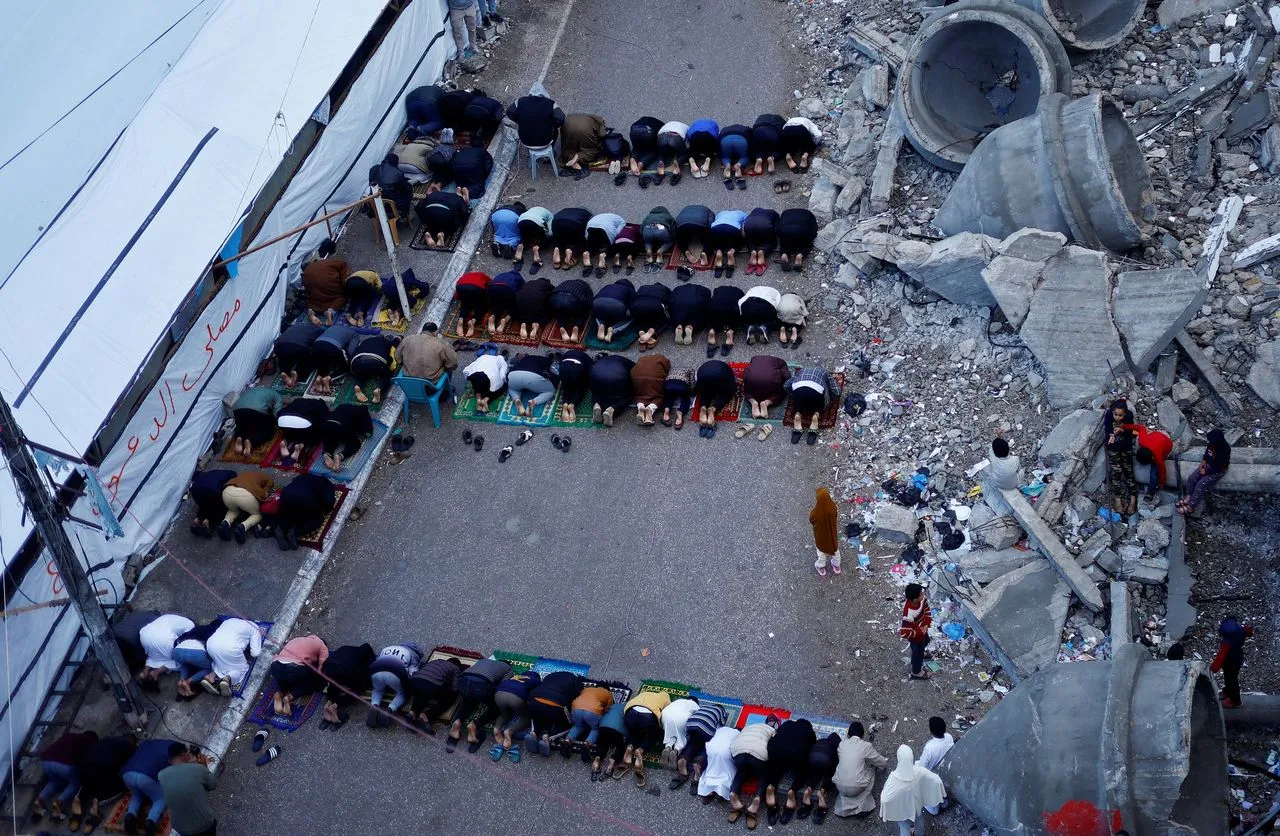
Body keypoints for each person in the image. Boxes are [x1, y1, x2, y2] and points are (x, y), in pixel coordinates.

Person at [29, 730, 97, 825]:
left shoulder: (68, 735)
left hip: (46, 761)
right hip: (64, 764)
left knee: (55, 781)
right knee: (75, 783)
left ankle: (39, 800)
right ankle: (58, 803)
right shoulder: (89, 742)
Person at [75, 735, 137, 833]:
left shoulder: (106, 739)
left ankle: (79, 799)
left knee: (89, 784)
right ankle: (97, 801)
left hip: (83, 768)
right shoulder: (129, 747)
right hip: (101, 771)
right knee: (121, 786)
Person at [448, 657, 512, 750]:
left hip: (463, 681)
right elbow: (503, 686)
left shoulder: (483, 660)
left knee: (468, 700)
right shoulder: (508, 668)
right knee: (497, 707)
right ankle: (474, 725)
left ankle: (457, 721)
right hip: (481, 685)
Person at [880, 744, 946, 836]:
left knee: (904, 828)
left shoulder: (893, 779)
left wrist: (889, 807)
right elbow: (936, 780)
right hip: (915, 807)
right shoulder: (919, 771)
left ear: (899, 758)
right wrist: (938, 791)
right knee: (919, 822)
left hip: (900, 810)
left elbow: (885, 799)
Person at [728, 714, 780, 827]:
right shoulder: (772, 730)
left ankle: (733, 792)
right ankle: (756, 801)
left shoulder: (750, 726)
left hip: (737, 750)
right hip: (758, 753)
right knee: (763, 775)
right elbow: (774, 747)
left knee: (741, 771)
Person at [763, 718, 817, 825]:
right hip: (795, 757)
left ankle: (771, 787)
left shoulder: (787, 724)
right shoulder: (808, 731)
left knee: (776, 767)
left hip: (776, 752)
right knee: (803, 771)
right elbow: (813, 744)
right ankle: (792, 791)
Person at [121, 737, 179, 835]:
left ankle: (130, 817)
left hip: (127, 774)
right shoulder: (174, 754)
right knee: (160, 798)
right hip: (145, 777)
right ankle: (150, 822)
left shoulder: (147, 743)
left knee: (137, 795)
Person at [158, 743, 217, 836]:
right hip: (204, 823)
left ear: (169, 760)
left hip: (182, 829)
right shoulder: (198, 768)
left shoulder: (161, 775)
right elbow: (213, 785)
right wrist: (204, 767)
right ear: (185, 755)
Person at [834, 721, 889, 818]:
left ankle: (845, 805)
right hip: (857, 787)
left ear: (847, 734)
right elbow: (881, 762)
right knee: (872, 768)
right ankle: (863, 806)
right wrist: (883, 765)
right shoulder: (866, 746)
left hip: (839, 786)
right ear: (863, 735)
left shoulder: (841, 745)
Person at [271, 472, 338, 551]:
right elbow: (329, 502)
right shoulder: (329, 487)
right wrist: (326, 509)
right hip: (304, 500)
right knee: (316, 520)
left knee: (289, 514)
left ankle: (281, 528)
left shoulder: (303, 476)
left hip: (286, 494)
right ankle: (295, 531)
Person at [267, 634, 329, 717]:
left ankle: (280, 693)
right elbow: (322, 667)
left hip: (275, 666)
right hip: (293, 668)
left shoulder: (297, 639)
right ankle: (289, 697)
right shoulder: (322, 646)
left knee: (286, 681)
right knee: (311, 684)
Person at [672, 701, 728, 790]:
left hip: (691, 724)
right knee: (707, 745)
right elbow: (720, 727)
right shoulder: (721, 712)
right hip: (704, 727)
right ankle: (699, 764)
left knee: (693, 742)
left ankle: (684, 759)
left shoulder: (703, 707)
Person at [367, 642, 425, 728]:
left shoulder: (387, 647)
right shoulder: (413, 654)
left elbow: (376, 659)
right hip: (395, 672)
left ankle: (374, 705)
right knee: (403, 693)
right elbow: (413, 672)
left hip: (376, 670)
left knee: (377, 690)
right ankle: (390, 709)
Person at [620, 688, 670, 788]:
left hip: (630, 712)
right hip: (648, 716)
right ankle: (641, 750)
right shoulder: (664, 696)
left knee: (635, 731)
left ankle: (630, 746)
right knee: (654, 735)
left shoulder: (644, 693)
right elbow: (667, 712)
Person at [320, 642, 376, 729]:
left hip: (328, 668)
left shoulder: (346, 648)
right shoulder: (362, 652)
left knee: (333, 685)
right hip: (348, 671)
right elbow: (367, 646)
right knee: (357, 691)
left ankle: (328, 704)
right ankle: (335, 705)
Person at [528, 671, 584, 755]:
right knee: (569, 725)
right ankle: (549, 737)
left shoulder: (550, 675)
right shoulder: (574, 680)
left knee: (536, 716)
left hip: (535, 700)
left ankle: (534, 732)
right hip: (555, 704)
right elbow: (577, 695)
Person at [204, 617, 264, 696]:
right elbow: (255, 653)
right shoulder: (254, 627)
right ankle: (227, 678)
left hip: (210, 644)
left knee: (219, 662)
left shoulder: (229, 620)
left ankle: (210, 676)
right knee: (241, 669)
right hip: (230, 648)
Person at [136, 612, 195, 691]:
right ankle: (156, 672)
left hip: (144, 636)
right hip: (162, 640)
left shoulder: (168, 617)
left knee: (155, 654)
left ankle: (145, 671)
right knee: (179, 661)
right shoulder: (191, 626)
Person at [492, 668, 541, 759]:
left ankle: (497, 728)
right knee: (525, 718)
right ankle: (509, 731)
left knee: (504, 715)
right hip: (515, 697)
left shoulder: (515, 676)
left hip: (498, 695)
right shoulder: (534, 680)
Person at [172, 617, 226, 701]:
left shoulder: (198, 631)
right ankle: (188, 681)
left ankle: (182, 680)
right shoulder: (214, 631)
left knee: (185, 663)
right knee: (210, 667)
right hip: (192, 651)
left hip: (177, 651)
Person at [1180, 428, 1231, 514]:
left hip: (1217, 471)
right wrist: (1202, 464)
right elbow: (1206, 455)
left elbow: (1219, 467)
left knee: (1201, 484)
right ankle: (1188, 497)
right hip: (1207, 465)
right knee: (1192, 478)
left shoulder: (1224, 450)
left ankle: (1191, 506)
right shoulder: (1212, 444)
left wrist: (1205, 471)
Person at [787, 364, 840, 445]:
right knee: (819, 404)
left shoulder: (801, 371)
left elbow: (787, 385)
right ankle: (816, 416)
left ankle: (798, 415)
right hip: (816, 390)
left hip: (798, 387)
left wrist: (792, 393)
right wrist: (833, 396)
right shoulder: (824, 372)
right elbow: (837, 390)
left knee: (798, 402)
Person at [409, 656, 465, 732]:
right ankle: (427, 716)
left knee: (422, 692)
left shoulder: (434, 661)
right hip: (432, 684)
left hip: (414, 680)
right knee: (449, 699)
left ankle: (413, 713)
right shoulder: (456, 668)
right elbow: (455, 687)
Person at [1119, 421, 1173, 500]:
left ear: (1151, 458)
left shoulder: (1157, 457)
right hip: (1156, 437)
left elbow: (1162, 470)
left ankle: (1151, 492)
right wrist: (1124, 425)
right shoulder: (1142, 441)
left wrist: (1162, 483)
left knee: (1154, 474)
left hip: (1167, 444)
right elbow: (1140, 427)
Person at [219, 469, 274, 543]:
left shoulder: (246, 474)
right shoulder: (268, 479)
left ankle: (225, 523)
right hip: (244, 496)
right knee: (258, 514)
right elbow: (265, 493)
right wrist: (265, 495)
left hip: (227, 492)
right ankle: (243, 527)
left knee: (233, 510)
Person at [300, 241, 349, 326]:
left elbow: (306, 289)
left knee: (313, 300)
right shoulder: (335, 262)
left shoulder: (308, 268)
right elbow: (345, 275)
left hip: (311, 287)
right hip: (327, 286)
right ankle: (329, 311)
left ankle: (311, 311)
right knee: (341, 298)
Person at [1104, 399, 1138, 517]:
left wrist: (1122, 430)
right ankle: (1118, 500)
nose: (1117, 417)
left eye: (1120, 415)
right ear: (1112, 412)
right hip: (1113, 448)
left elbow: (1131, 431)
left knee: (1129, 472)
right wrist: (1111, 435)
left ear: (1125, 413)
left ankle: (1133, 500)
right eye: (1116, 414)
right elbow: (1107, 429)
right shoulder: (1108, 415)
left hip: (1125, 448)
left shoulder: (1129, 416)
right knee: (1116, 473)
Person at [799, 731, 841, 823]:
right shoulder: (836, 747)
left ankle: (809, 789)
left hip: (813, 757)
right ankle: (822, 791)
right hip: (826, 759)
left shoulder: (821, 741)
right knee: (831, 773)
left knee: (815, 772)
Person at [229, 387, 282, 458]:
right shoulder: (277, 395)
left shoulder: (250, 390)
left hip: (237, 409)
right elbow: (277, 413)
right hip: (256, 410)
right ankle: (251, 442)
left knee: (242, 427)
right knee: (267, 431)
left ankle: (239, 437)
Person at [1212, 616, 1253, 708]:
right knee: (1230, 678)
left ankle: (1235, 701)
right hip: (1238, 658)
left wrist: (1212, 669)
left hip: (1230, 662)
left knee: (1232, 681)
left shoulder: (1227, 643)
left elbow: (1220, 657)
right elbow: (1249, 631)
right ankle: (1227, 691)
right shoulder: (1240, 630)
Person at [918, 716, 955, 814]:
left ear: (931, 731)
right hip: (946, 767)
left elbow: (921, 766)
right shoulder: (949, 737)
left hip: (933, 774)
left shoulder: (930, 748)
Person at [349, 333, 399, 404]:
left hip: (358, 361)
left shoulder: (367, 340)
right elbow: (390, 358)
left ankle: (357, 385)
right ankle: (379, 389)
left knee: (361, 374)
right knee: (388, 375)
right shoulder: (387, 342)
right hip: (377, 361)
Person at [276, 398, 329, 464]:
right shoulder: (321, 404)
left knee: (289, 431)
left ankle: (285, 441)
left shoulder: (297, 400)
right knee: (316, 435)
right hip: (302, 421)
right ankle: (300, 445)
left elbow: (280, 412)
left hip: (283, 418)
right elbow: (323, 421)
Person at [588, 355, 635, 427]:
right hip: (615, 378)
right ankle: (611, 409)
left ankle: (597, 404)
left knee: (597, 392)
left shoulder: (602, 360)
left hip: (596, 375)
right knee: (627, 396)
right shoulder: (627, 362)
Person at [273, 321, 323, 388]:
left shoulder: (293, 326)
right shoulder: (318, 330)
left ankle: (284, 371)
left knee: (284, 358)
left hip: (279, 345)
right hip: (298, 346)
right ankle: (298, 373)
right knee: (310, 360)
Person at [699, 724, 741, 803]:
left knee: (711, 768)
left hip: (712, 749)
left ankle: (709, 789)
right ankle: (721, 791)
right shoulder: (739, 734)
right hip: (725, 752)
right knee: (727, 771)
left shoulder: (722, 729)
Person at [565, 682, 615, 750]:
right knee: (596, 729)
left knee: (578, 726)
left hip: (576, 708)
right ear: (607, 689)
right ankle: (586, 744)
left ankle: (567, 741)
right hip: (592, 711)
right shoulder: (607, 693)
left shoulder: (587, 689)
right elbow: (609, 709)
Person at [695, 359, 736, 438]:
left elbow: (698, 388)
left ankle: (703, 407)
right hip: (722, 374)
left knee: (705, 392)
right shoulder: (724, 370)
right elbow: (731, 389)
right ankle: (713, 409)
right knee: (725, 395)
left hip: (703, 375)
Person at [627, 354, 671, 426]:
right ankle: (650, 409)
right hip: (653, 379)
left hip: (637, 377)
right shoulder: (661, 358)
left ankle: (640, 407)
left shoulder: (641, 358)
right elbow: (667, 367)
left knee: (639, 395)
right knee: (658, 397)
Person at [188, 470, 235, 539]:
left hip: (195, 490)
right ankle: (208, 522)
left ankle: (197, 520)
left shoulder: (209, 473)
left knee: (204, 505)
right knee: (219, 507)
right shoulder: (232, 475)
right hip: (213, 491)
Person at [560, 113, 609, 179]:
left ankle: (571, 158)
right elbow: (602, 135)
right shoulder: (601, 122)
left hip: (567, 124)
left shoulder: (588, 117)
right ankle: (578, 157)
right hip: (583, 132)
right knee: (594, 150)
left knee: (568, 148)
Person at [743, 354, 790, 420]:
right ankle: (766, 402)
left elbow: (747, 370)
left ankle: (753, 401)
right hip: (770, 382)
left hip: (751, 381)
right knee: (781, 393)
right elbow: (787, 376)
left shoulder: (754, 358)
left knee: (747, 391)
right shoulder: (782, 362)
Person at [901, 582, 932, 680]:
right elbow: (905, 633)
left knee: (926, 641)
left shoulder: (922, 600)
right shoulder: (909, 614)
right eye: (921, 594)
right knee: (917, 655)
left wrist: (926, 623)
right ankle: (916, 672)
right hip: (915, 638)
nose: (923, 595)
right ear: (914, 599)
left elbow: (926, 609)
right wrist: (918, 631)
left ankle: (922, 651)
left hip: (923, 630)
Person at [659, 696, 699, 769]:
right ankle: (676, 750)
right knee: (682, 736)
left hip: (666, 716)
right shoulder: (695, 705)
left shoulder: (678, 700)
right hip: (681, 719)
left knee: (669, 733)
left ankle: (668, 747)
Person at [706, 284, 745, 358]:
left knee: (712, 316)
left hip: (714, 309)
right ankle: (730, 331)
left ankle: (712, 329)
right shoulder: (739, 292)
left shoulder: (718, 289)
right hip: (731, 310)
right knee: (735, 317)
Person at [368, 153, 412, 219]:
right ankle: (402, 214)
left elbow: (373, 183)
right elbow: (405, 189)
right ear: (395, 162)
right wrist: (408, 185)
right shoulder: (398, 172)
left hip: (374, 202)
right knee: (408, 194)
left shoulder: (373, 168)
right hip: (390, 205)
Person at [592, 278, 635, 342]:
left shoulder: (607, 286)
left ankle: (601, 325)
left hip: (597, 303)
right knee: (632, 317)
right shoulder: (629, 289)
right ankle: (613, 329)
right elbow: (634, 304)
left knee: (600, 314)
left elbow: (596, 296)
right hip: (616, 306)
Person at [810, 486, 842, 575]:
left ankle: (821, 567)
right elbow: (835, 515)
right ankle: (836, 566)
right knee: (835, 551)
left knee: (821, 552)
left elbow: (812, 520)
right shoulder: (833, 508)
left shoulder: (815, 513)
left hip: (821, 537)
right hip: (832, 536)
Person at [556, 349, 593, 422]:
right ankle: (572, 404)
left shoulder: (566, 354)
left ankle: (565, 403)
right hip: (577, 368)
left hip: (564, 368)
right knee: (580, 388)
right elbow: (591, 369)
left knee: (566, 388)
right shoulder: (586, 358)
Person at [584, 212, 626, 277]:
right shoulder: (621, 220)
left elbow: (586, 235)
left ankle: (587, 254)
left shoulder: (598, 216)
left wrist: (587, 239)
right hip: (605, 228)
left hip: (591, 225)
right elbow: (618, 231)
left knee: (592, 241)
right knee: (606, 243)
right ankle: (602, 256)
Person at [777, 207, 819, 272]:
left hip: (785, 230)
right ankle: (800, 255)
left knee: (785, 246)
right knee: (806, 246)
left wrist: (780, 237)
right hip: (802, 229)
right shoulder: (809, 213)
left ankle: (784, 254)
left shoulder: (785, 212)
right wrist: (811, 238)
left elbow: (779, 224)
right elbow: (814, 228)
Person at [670, 282, 710, 346]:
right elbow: (708, 295)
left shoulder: (677, 289)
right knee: (698, 314)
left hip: (679, 305)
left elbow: (671, 299)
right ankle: (690, 326)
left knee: (678, 312)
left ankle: (679, 326)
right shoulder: (703, 289)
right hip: (695, 304)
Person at [632, 281, 671, 349]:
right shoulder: (665, 289)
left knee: (638, 320)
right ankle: (653, 331)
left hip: (638, 305)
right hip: (655, 305)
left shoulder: (643, 287)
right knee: (665, 320)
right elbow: (671, 299)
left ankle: (641, 331)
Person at [515, 205, 554, 271]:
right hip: (536, 222)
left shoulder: (531, 209)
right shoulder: (550, 215)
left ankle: (521, 246)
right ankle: (536, 249)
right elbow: (548, 232)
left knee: (526, 234)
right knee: (549, 235)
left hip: (521, 220)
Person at [743, 207, 779, 277]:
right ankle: (762, 252)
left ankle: (753, 251)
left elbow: (747, 219)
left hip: (749, 225)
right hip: (765, 226)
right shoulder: (774, 214)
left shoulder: (755, 209)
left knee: (750, 240)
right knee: (770, 242)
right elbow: (777, 227)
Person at [486, 269, 525, 334]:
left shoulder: (501, 274)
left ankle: (493, 316)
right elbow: (522, 288)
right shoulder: (518, 277)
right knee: (513, 307)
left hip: (493, 288)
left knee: (497, 305)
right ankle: (506, 319)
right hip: (507, 289)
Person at [710, 209, 747, 278]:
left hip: (716, 227)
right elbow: (746, 223)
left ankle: (718, 252)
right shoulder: (742, 213)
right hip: (733, 228)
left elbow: (715, 219)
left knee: (718, 240)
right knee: (738, 242)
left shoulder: (721, 212)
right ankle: (731, 252)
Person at [453, 271, 490, 338]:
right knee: (482, 305)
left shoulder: (465, 275)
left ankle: (460, 320)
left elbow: (457, 292)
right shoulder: (482, 274)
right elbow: (490, 283)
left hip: (461, 287)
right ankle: (473, 321)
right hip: (476, 288)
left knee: (465, 304)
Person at [641, 206, 677, 272]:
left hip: (647, 229)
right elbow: (673, 230)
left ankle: (649, 253)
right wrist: (673, 238)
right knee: (668, 242)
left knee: (648, 242)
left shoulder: (649, 216)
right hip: (662, 231)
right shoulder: (668, 216)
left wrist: (644, 236)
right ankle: (660, 252)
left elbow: (641, 228)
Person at [719, 123, 752, 188]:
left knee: (725, 156)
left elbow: (719, 142)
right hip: (741, 141)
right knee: (744, 156)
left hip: (725, 140)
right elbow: (752, 140)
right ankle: (739, 165)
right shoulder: (747, 129)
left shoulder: (724, 129)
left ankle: (727, 164)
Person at [663, 365, 695, 430]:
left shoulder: (670, 370)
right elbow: (692, 381)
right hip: (681, 385)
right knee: (685, 398)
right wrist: (692, 391)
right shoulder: (690, 369)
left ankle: (666, 412)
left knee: (669, 396)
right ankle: (680, 413)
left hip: (669, 384)